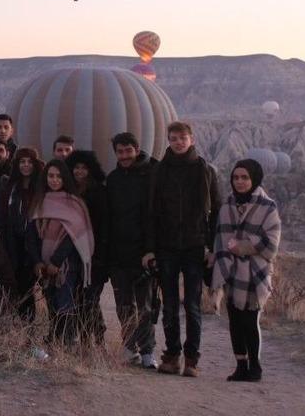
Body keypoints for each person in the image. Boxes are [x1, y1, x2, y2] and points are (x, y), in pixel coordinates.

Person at [146, 121, 221, 377]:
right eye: (174, 138)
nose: (178, 142)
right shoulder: (160, 171)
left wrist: (212, 248)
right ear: (168, 140)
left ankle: (192, 359)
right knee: (169, 305)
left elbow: (216, 213)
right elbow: (152, 213)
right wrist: (151, 249)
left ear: (192, 139)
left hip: (194, 246)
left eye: (183, 138)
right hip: (166, 246)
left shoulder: (205, 171)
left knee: (192, 305)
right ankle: (172, 355)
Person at [212, 159, 281, 382]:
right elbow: (220, 239)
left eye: (245, 177)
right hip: (231, 270)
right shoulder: (227, 206)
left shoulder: (267, 206)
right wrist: (224, 259)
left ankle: (256, 366)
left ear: (254, 179)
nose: (240, 182)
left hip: (255, 272)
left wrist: (243, 246)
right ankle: (240, 365)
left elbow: (271, 244)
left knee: (250, 320)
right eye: (236, 178)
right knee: (234, 320)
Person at [26, 159, 94, 346]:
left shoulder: (74, 203)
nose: (54, 180)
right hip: (44, 265)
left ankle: (67, 343)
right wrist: (37, 261)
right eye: (50, 176)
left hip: (65, 265)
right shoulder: (40, 201)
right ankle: (54, 342)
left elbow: (74, 236)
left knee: (65, 303)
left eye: (59, 176)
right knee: (50, 304)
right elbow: (31, 234)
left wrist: (56, 261)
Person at [106, 132, 159, 369]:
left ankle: (148, 351)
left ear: (137, 149)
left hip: (144, 254)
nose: (125, 156)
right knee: (123, 305)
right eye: (120, 151)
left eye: (129, 151)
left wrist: (151, 250)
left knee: (146, 306)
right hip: (119, 254)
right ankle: (129, 347)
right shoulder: (114, 179)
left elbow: (154, 216)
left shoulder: (151, 175)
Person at [65, 150, 108, 346]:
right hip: (72, 253)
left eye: (83, 167)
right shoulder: (67, 192)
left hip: (94, 254)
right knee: (78, 297)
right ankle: (84, 341)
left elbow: (104, 225)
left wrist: (99, 255)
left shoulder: (99, 193)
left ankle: (97, 338)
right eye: (76, 167)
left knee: (90, 298)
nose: (79, 171)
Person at [0, 147, 44, 321]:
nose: (26, 165)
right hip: (13, 245)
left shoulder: (42, 187)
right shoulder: (9, 187)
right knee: (19, 289)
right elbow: (1, 217)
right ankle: (23, 330)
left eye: (29, 162)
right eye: (22, 161)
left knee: (44, 291)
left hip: (37, 245)